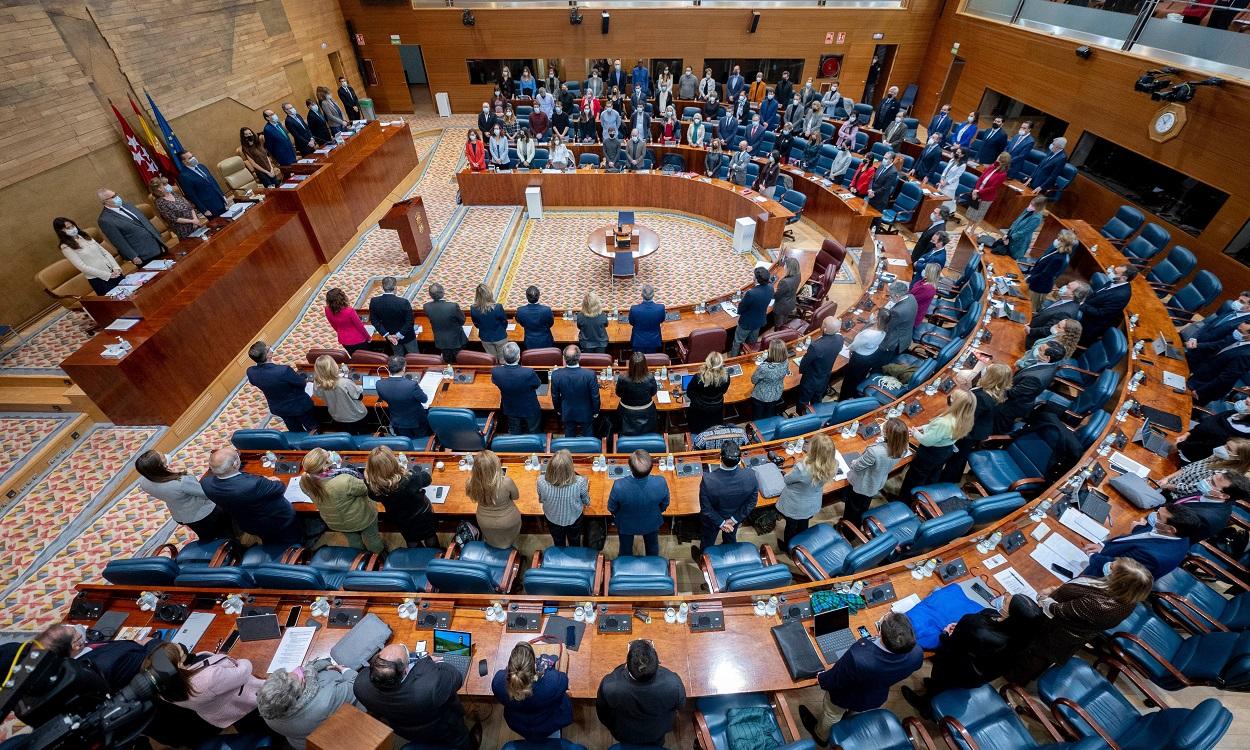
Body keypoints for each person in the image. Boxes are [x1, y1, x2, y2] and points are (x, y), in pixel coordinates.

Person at [1006, 558, 1154, 683]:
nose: (1109, 565)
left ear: (1118, 582)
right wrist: (1057, 589)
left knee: (1033, 658)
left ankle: (1014, 680)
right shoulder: (1127, 596)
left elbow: (1058, 610)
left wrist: (1043, 597)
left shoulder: (1099, 604)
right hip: (1068, 627)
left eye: (1113, 568)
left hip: (1056, 634)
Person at [901, 595, 1043, 717]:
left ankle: (925, 707)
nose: (1003, 598)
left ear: (1011, 616)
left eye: (1006, 601)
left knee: (941, 684)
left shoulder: (977, 628)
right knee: (945, 685)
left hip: (956, 667)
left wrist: (947, 634)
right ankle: (933, 689)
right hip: (977, 675)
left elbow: (951, 644)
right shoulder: (1025, 637)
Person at [798, 612, 923, 745]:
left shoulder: (859, 657)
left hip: (844, 696)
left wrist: (822, 679)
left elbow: (835, 678)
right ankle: (849, 720)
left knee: (832, 714)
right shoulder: (917, 653)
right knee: (854, 711)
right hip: (873, 697)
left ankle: (821, 736)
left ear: (881, 633)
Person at [353, 643, 480, 749]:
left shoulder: (360, 685)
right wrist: (431, 663)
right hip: (444, 728)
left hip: (407, 730)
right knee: (461, 742)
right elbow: (455, 676)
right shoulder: (430, 686)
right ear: (406, 671)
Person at [148, 642, 266, 734]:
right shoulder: (208, 678)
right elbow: (244, 672)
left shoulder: (165, 688)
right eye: (179, 650)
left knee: (249, 727)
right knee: (265, 722)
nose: (179, 645)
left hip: (226, 712)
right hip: (249, 702)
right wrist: (242, 660)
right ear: (179, 665)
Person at [596, 639, 685, 747]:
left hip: (623, 733)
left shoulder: (609, 685)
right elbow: (680, 706)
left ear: (627, 665)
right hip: (657, 732)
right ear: (657, 662)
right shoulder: (673, 683)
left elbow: (602, 714)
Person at [1081, 504, 1204, 579]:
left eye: (1158, 516)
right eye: (1158, 511)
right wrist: (1104, 545)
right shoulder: (1180, 534)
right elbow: (1143, 537)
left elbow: (1116, 569)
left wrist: (1093, 555)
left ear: (1171, 529)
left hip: (1103, 578)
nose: (1153, 515)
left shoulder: (1154, 557)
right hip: (1108, 552)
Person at [258, 658, 358, 750]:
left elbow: (310, 667)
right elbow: (356, 684)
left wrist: (321, 666)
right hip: (335, 737)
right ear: (298, 694)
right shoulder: (324, 701)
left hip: (304, 744)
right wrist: (343, 670)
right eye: (300, 677)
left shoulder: (267, 709)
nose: (298, 672)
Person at [136, 449, 234, 541]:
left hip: (180, 514)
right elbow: (205, 494)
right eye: (163, 457)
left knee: (206, 535)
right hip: (203, 513)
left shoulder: (143, 481)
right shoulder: (181, 481)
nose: (166, 456)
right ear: (160, 466)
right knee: (225, 533)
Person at [300, 447, 382, 552]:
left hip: (335, 522)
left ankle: (358, 557)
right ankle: (378, 556)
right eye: (328, 456)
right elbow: (367, 489)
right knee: (372, 538)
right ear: (325, 466)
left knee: (353, 540)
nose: (331, 454)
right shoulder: (344, 481)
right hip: (361, 518)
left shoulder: (305, 482)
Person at [899, 389, 975, 498]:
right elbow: (938, 431)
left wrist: (915, 432)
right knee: (932, 475)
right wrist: (923, 428)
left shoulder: (944, 422)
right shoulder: (964, 417)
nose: (949, 396)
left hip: (929, 454)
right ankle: (925, 496)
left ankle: (906, 499)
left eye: (952, 396)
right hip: (944, 451)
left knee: (915, 477)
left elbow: (926, 441)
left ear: (956, 403)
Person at [942, 364, 1011, 482]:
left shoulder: (982, 397)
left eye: (987, 371)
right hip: (980, 426)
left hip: (971, 431)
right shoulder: (998, 390)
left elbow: (966, 415)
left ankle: (947, 480)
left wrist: (953, 400)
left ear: (991, 377)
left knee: (958, 456)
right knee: (960, 455)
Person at [492, 641, 573, 741]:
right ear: (534, 665)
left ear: (509, 667)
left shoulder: (497, 682)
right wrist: (545, 671)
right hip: (549, 723)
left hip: (519, 724)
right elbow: (564, 680)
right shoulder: (552, 682)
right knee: (552, 736)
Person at [364, 445, 437, 548]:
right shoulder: (409, 479)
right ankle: (435, 552)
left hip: (399, 518)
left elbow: (373, 497)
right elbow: (427, 479)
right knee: (430, 536)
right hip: (422, 516)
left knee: (411, 539)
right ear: (392, 462)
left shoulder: (372, 486)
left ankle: (417, 555)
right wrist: (412, 472)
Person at [694, 442, 759, 556]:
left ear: (720, 458)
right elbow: (752, 502)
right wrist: (733, 520)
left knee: (707, 541)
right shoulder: (751, 475)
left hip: (712, 520)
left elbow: (706, 508)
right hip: (735, 518)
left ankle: (704, 559)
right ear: (739, 460)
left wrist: (722, 523)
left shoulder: (708, 480)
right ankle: (730, 555)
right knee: (730, 537)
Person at [843, 417, 909, 526]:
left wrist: (854, 462)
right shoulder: (902, 447)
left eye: (885, 427)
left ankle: (848, 531)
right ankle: (858, 523)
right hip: (877, 482)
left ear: (888, 435)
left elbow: (857, 466)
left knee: (852, 509)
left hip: (862, 484)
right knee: (864, 506)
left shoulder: (874, 452)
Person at [776, 433, 837, 548]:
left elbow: (787, 480)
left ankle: (788, 547)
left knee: (790, 526)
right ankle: (802, 545)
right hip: (812, 503)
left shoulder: (802, 468)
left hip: (795, 505)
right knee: (804, 523)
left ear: (814, 450)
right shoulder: (833, 464)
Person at [608, 449, 670, 557]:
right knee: (652, 547)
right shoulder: (661, 482)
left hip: (626, 524)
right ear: (651, 468)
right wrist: (653, 511)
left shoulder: (619, 485)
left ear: (630, 468)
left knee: (625, 549)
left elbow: (612, 508)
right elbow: (665, 504)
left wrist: (620, 514)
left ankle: (624, 567)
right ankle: (653, 564)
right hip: (652, 522)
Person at [246, 340, 318, 432]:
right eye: (269, 349)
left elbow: (255, 382)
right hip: (299, 406)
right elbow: (301, 383)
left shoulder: (251, 372)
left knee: (295, 430)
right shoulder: (283, 371)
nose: (271, 349)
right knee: (312, 427)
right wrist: (302, 377)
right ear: (268, 355)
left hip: (279, 408)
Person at [466, 449, 522, 548]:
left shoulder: (471, 482)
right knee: (510, 540)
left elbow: (473, 497)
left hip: (484, 521)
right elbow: (516, 497)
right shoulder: (506, 482)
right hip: (508, 520)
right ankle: (511, 551)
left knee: (493, 539)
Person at [54, 217, 123, 295]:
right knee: (117, 303)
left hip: (114, 272)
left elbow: (104, 252)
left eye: (72, 226)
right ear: (61, 231)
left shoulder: (84, 236)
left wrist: (116, 267)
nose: (72, 229)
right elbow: (82, 267)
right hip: (100, 279)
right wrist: (108, 275)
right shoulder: (66, 247)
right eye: (68, 228)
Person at [97, 188, 165, 266]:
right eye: (113, 197)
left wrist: (158, 237)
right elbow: (118, 241)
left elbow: (145, 222)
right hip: (143, 254)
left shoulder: (127, 205)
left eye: (116, 194)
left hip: (157, 245)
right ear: (105, 201)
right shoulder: (105, 220)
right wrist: (133, 256)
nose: (117, 197)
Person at [537, 449, 591, 548]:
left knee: (558, 540)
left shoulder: (540, 480)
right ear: (570, 467)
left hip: (552, 518)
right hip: (574, 519)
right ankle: (573, 554)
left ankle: (559, 554)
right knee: (575, 540)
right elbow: (586, 501)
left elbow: (541, 499)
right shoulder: (580, 482)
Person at [1077, 264, 1137, 345]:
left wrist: (1082, 305)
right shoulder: (1115, 280)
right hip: (1087, 309)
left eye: (1115, 272)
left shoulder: (1121, 295)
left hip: (1090, 325)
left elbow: (1101, 313)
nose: (1111, 272)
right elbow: (1098, 293)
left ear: (1124, 278)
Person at [1190, 325, 1250, 405]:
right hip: (1199, 376)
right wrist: (1196, 345)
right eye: (1238, 329)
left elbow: (1226, 378)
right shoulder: (1240, 338)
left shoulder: (1247, 354)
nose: (1236, 332)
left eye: (1241, 332)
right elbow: (1218, 345)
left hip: (1204, 388)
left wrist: (1200, 391)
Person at [838, 309, 889, 401]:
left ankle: (842, 399)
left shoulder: (868, 334)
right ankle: (852, 395)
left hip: (859, 359)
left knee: (849, 381)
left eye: (875, 314)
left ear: (878, 319)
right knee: (858, 378)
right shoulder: (884, 330)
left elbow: (854, 346)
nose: (873, 314)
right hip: (870, 356)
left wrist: (849, 348)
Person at [492, 342, 542, 435]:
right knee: (534, 431)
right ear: (519, 356)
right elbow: (537, 384)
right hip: (529, 408)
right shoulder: (528, 372)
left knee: (514, 432)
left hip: (510, 407)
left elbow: (496, 382)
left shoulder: (496, 372)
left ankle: (516, 447)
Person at [550, 345, 600, 437]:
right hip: (586, 411)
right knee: (588, 436)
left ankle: (570, 451)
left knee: (569, 436)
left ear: (564, 358)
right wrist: (596, 410)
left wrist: (558, 410)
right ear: (579, 357)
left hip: (567, 411)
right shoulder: (590, 374)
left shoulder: (556, 375)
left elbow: (555, 396)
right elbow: (595, 396)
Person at [795, 317, 844, 410]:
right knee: (817, 398)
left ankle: (801, 417)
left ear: (825, 329)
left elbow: (805, 362)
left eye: (823, 323)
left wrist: (802, 371)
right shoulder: (840, 339)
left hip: (811, 379)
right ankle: (817, 413)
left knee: (803, 401)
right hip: (825, 376)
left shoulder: (816, 346)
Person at [312, 355, 367, 434]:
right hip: (356, 416)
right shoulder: (345, 382)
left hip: (337, 416)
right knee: (363, 434)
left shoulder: (317, 383)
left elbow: (319, 395)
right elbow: (359, 397)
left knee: (347, 434)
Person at [1025, 228, 1075, 310]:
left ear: (1064, 242)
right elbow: (1042, 262)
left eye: (1059, 239)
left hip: (1039, 287)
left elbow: (1046, 274)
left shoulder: (1060, 258)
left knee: (1030, 308)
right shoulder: (1056, 250)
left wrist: (1029, 279)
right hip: (1035, 280)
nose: (1056, 240)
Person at [368, 276, 418, 356]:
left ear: (383, 287)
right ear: (395, 288)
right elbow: (410, 321)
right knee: (415, 356)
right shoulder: (403, 302)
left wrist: (387, 335)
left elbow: (374, 321)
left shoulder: (374, 301)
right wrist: (399, 335)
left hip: (390, 337)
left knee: (398, 356)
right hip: (407, 336)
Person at [147, 176, 205, 244]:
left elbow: (189, 206)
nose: (168, 185)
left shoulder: (173, 193)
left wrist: (195, 219)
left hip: (196, 223)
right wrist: (192, 221)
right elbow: (174, 219)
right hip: (184, 230)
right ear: (159, 189)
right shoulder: (160, 203)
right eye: (165, 184)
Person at [732, 266, 775, 355]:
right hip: (759, 321)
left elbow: (741, 310)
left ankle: (734, 359)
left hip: (746, 323)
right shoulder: (771, 287)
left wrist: (740, 304)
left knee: (738, 342)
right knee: (752, 343)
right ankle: (748, 357)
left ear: (756, 279)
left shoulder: (751, 293)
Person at [1178, 409, 1250, 463]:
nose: (1247, 400)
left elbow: (1208, 447)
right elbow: (1208, 422)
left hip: (1192, 456)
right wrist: (1187, 433)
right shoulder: (1234, 412)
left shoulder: (1243, 435)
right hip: (1188, 437)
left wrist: (1179, 445)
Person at [686, 352, 731, 435]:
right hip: (716, 409)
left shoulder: (699, 377)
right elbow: (724, 391)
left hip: (699, 410)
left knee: (697, 430)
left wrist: (697, 400)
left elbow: (689, 392)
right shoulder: (726, 376)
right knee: (713, 429)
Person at [424, 283, 469, 364]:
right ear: (443, 292)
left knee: (448, 362)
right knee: (461, 360)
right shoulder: (452, 306)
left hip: (441, 341)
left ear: (430, 295)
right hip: (457, 340)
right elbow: (462, 321)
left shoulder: (426, 307)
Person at [616, 352, 659, 435]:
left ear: (630, 364)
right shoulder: (650, 377)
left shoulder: (622, 378)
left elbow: (618, 393)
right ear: (644, 364)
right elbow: (653, 393)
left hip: (626, 411)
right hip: (647, 411)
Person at [176, 149, 227, 217]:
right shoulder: (184, 176)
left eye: (193, 156)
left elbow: (213, 181)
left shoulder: (201, 166)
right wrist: (203, 209)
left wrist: (222, 195)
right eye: (190, 158)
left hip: (219, 199)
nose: (193, 158)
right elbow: (191, 195)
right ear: (184, 162)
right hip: (209, 206)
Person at [964, 151, 1010, 224]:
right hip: (978, 191)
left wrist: (978, 192)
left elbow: (993, 187)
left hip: (987, 196)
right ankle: (966, 228)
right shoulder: (992, 166)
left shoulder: (1003, 174)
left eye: (999, 158)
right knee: (972, 213)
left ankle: (972, 231)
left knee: (978, 215)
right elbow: (981, 178)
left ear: (1003, 161)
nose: (997, 158)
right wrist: (976, 190)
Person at [750, 339, 791, 418]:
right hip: (777, 393)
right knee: (769, 413)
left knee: (758, 416)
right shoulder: (786, 361)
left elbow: (753, 380)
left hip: (762, 396)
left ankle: (757, 428)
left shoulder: (765, 368)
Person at [1000, 195, 1046, 262]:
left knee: (1011, 259)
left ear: (1038, 207)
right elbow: (1017, 221)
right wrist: (1009, 233)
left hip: (1021, 241)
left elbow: (1025, 231)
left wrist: (1010, 237)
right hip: (1013, 234)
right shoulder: (1028, 210)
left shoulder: (1037, 218)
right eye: (1031, 203)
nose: (1030, 206)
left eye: (1033, 205)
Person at [324, 287, 371, 355]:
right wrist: (368, 337)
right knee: (367, 356)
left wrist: (341, 332)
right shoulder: (349, 311)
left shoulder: (327, 310)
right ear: (342, 298)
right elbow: (360, 326)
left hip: (344, 340)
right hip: (358, 340)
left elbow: (333, 325)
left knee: (354, 356)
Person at [469, 284, 508, 362]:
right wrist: (501, 329)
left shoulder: (473, 308)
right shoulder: (497, 307)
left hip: (485, 338)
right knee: (504, 359)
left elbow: (476, 324)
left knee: (492, 360)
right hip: (500, 336)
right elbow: (504, 322)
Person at [880, 281, 918, 360]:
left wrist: (878, 318)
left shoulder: (898, 312)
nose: (889, 298)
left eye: (890, 296)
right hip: (906, 335)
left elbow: (887, 327)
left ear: (897, 296)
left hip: (895, 342)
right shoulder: (911, 297)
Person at [512, 285, 554, 350]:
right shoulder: (547, 310)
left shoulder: (520, 311)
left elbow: (520, 323)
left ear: (526, 297)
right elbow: (551, 324)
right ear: (539, 295)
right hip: (546, 341)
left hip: (530, 342)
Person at [629, 284, 666, 354]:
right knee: (651, 361)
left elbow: (631, 322)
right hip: (654, 341)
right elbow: (662, 320)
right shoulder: (661, 308)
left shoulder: (634, 309)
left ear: (641, 295)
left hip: (638, 341)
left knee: (638, 361)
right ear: (654, 295)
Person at [911, 262, 942, 326]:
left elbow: (912, 300)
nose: (923, 271)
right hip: (912, 307)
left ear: (929, 273)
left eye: (925, 270)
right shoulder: (926, 280)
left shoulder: (928, 289)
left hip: (913, 316)